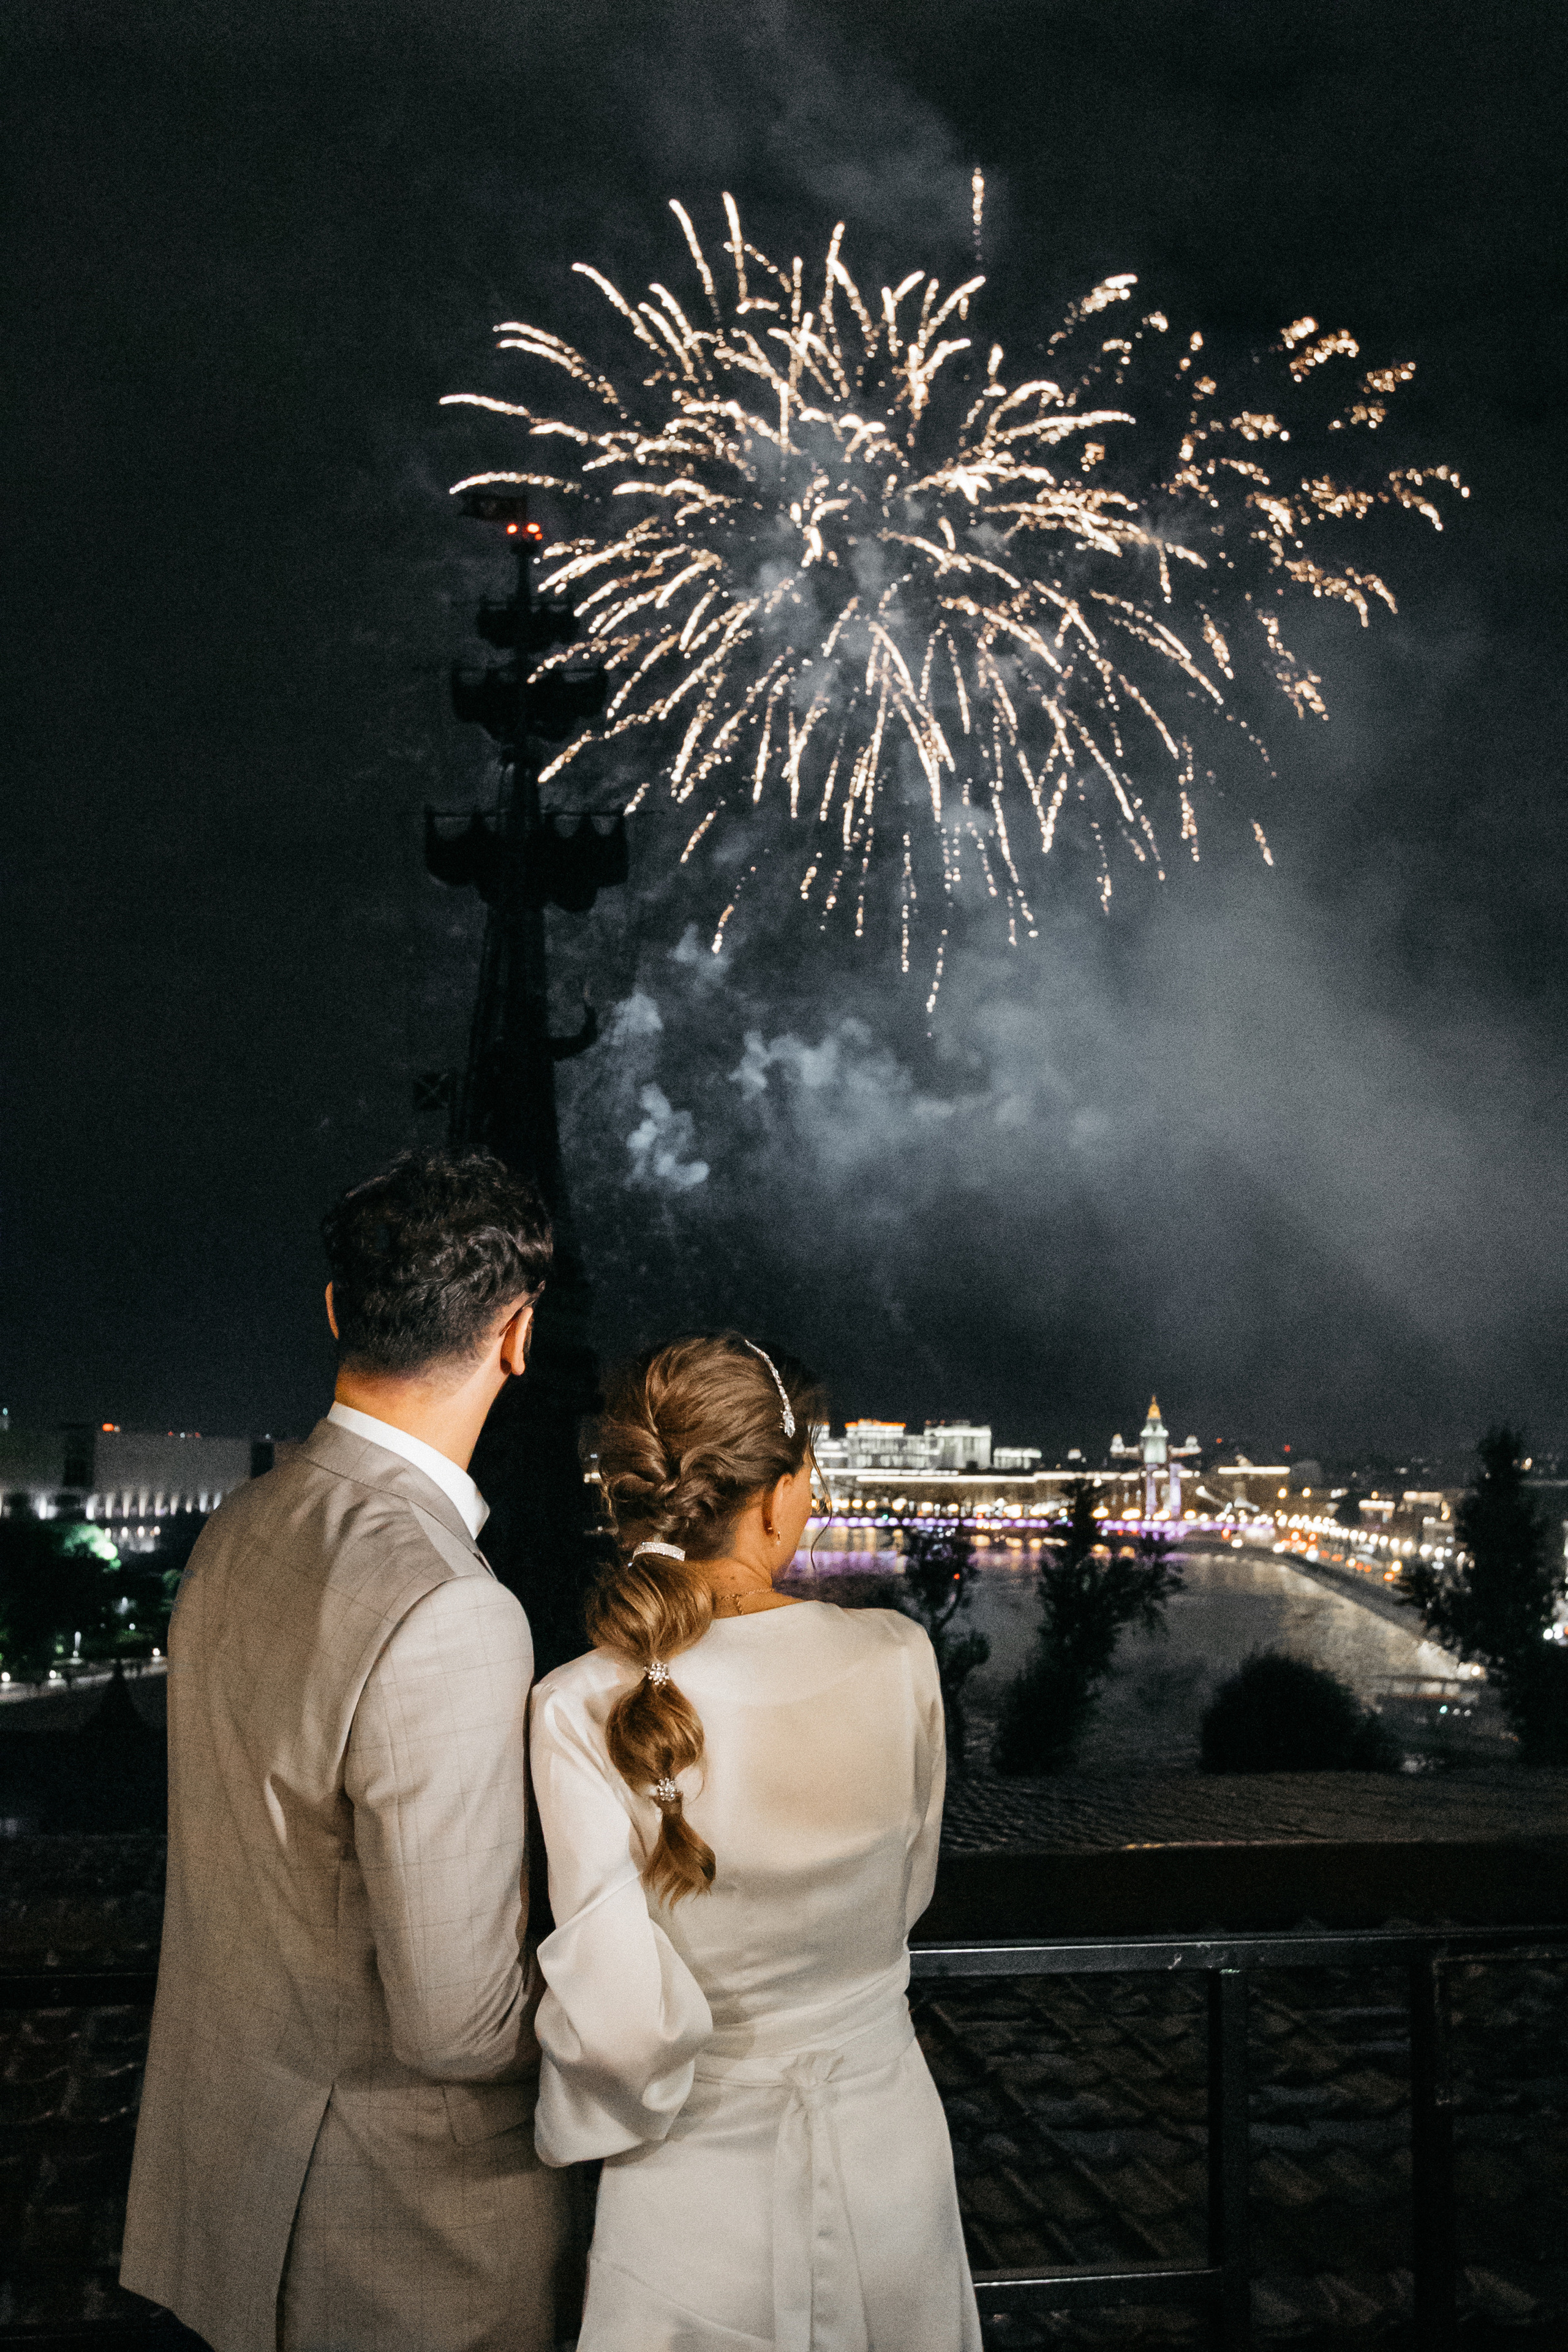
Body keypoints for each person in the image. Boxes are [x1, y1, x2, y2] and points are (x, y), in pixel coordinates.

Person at [121, 1148, 570, 2352]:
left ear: (336, 1313)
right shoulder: (449, 1607)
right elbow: (458, 2026)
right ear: (516, 1336)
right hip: (391, 2247)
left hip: (228, 2185)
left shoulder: (244, 1522)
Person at [529, 1332, 982, 2351]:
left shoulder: (575, 1704)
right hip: (890, 2155)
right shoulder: (901, 1659)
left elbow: (620, 2020)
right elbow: (906, 1897)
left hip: (691, 2186)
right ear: (778, 1496)